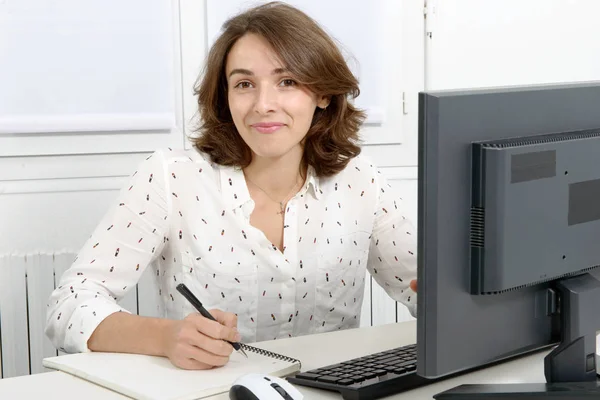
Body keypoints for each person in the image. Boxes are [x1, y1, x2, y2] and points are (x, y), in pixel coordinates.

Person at [45, 1, 417, 371]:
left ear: (322, 93)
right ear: (225, 97)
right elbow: (70, 304)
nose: (263, 104)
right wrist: (166, 337)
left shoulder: (360, 180)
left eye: (287, 81)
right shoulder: (172, 178)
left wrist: (452, 294)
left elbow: (423, 287)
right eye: (244, 84)